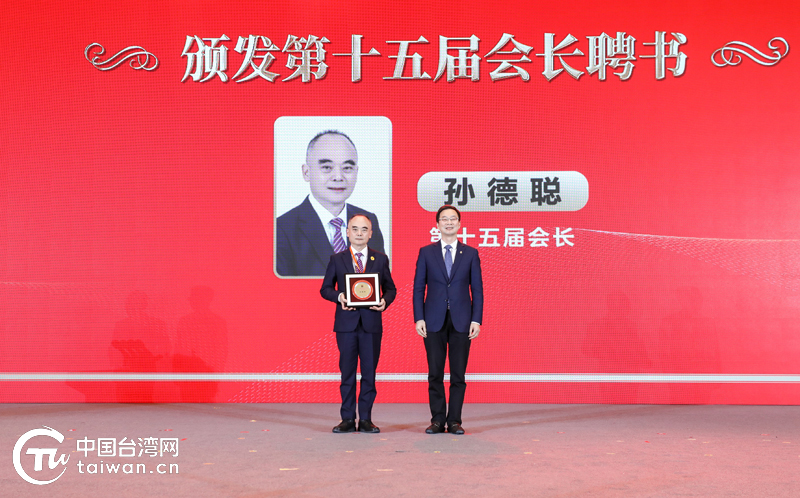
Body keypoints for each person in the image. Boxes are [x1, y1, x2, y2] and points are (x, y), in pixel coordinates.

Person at [320, 214, 396, 433]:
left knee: (369, 373)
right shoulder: (337, 259)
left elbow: (391, 289)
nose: (359, 233)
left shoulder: (380, 259)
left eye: (364, 229)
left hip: (371, 324)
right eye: (355, 229)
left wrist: (384, 301)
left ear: (371, 233)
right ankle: (347, 418)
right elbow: (325, 289)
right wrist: (340, 297)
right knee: (347, 373)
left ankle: (366, 419)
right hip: (346, 325)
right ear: (347, 232)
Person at [413, 205, 483, 435]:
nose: (449, 222)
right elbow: (418, 288)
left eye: (453, 219)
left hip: (462, 320)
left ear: (460, 224)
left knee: (458, 374)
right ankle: (437, 420)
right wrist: (419, 317)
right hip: (433, 319)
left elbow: (477, 290)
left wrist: (476, 320)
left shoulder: (470, 253)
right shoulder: (426, 252)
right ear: (437, 224)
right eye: (444, 219)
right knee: (435, 372)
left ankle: (454, 421)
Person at [276, 130, 385, 277]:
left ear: (356, 172)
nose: (338, 177)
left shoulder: (369, 220)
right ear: (306, 172)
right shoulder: (281, 229)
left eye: (347, 168)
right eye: (327, 167)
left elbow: (381, 280)